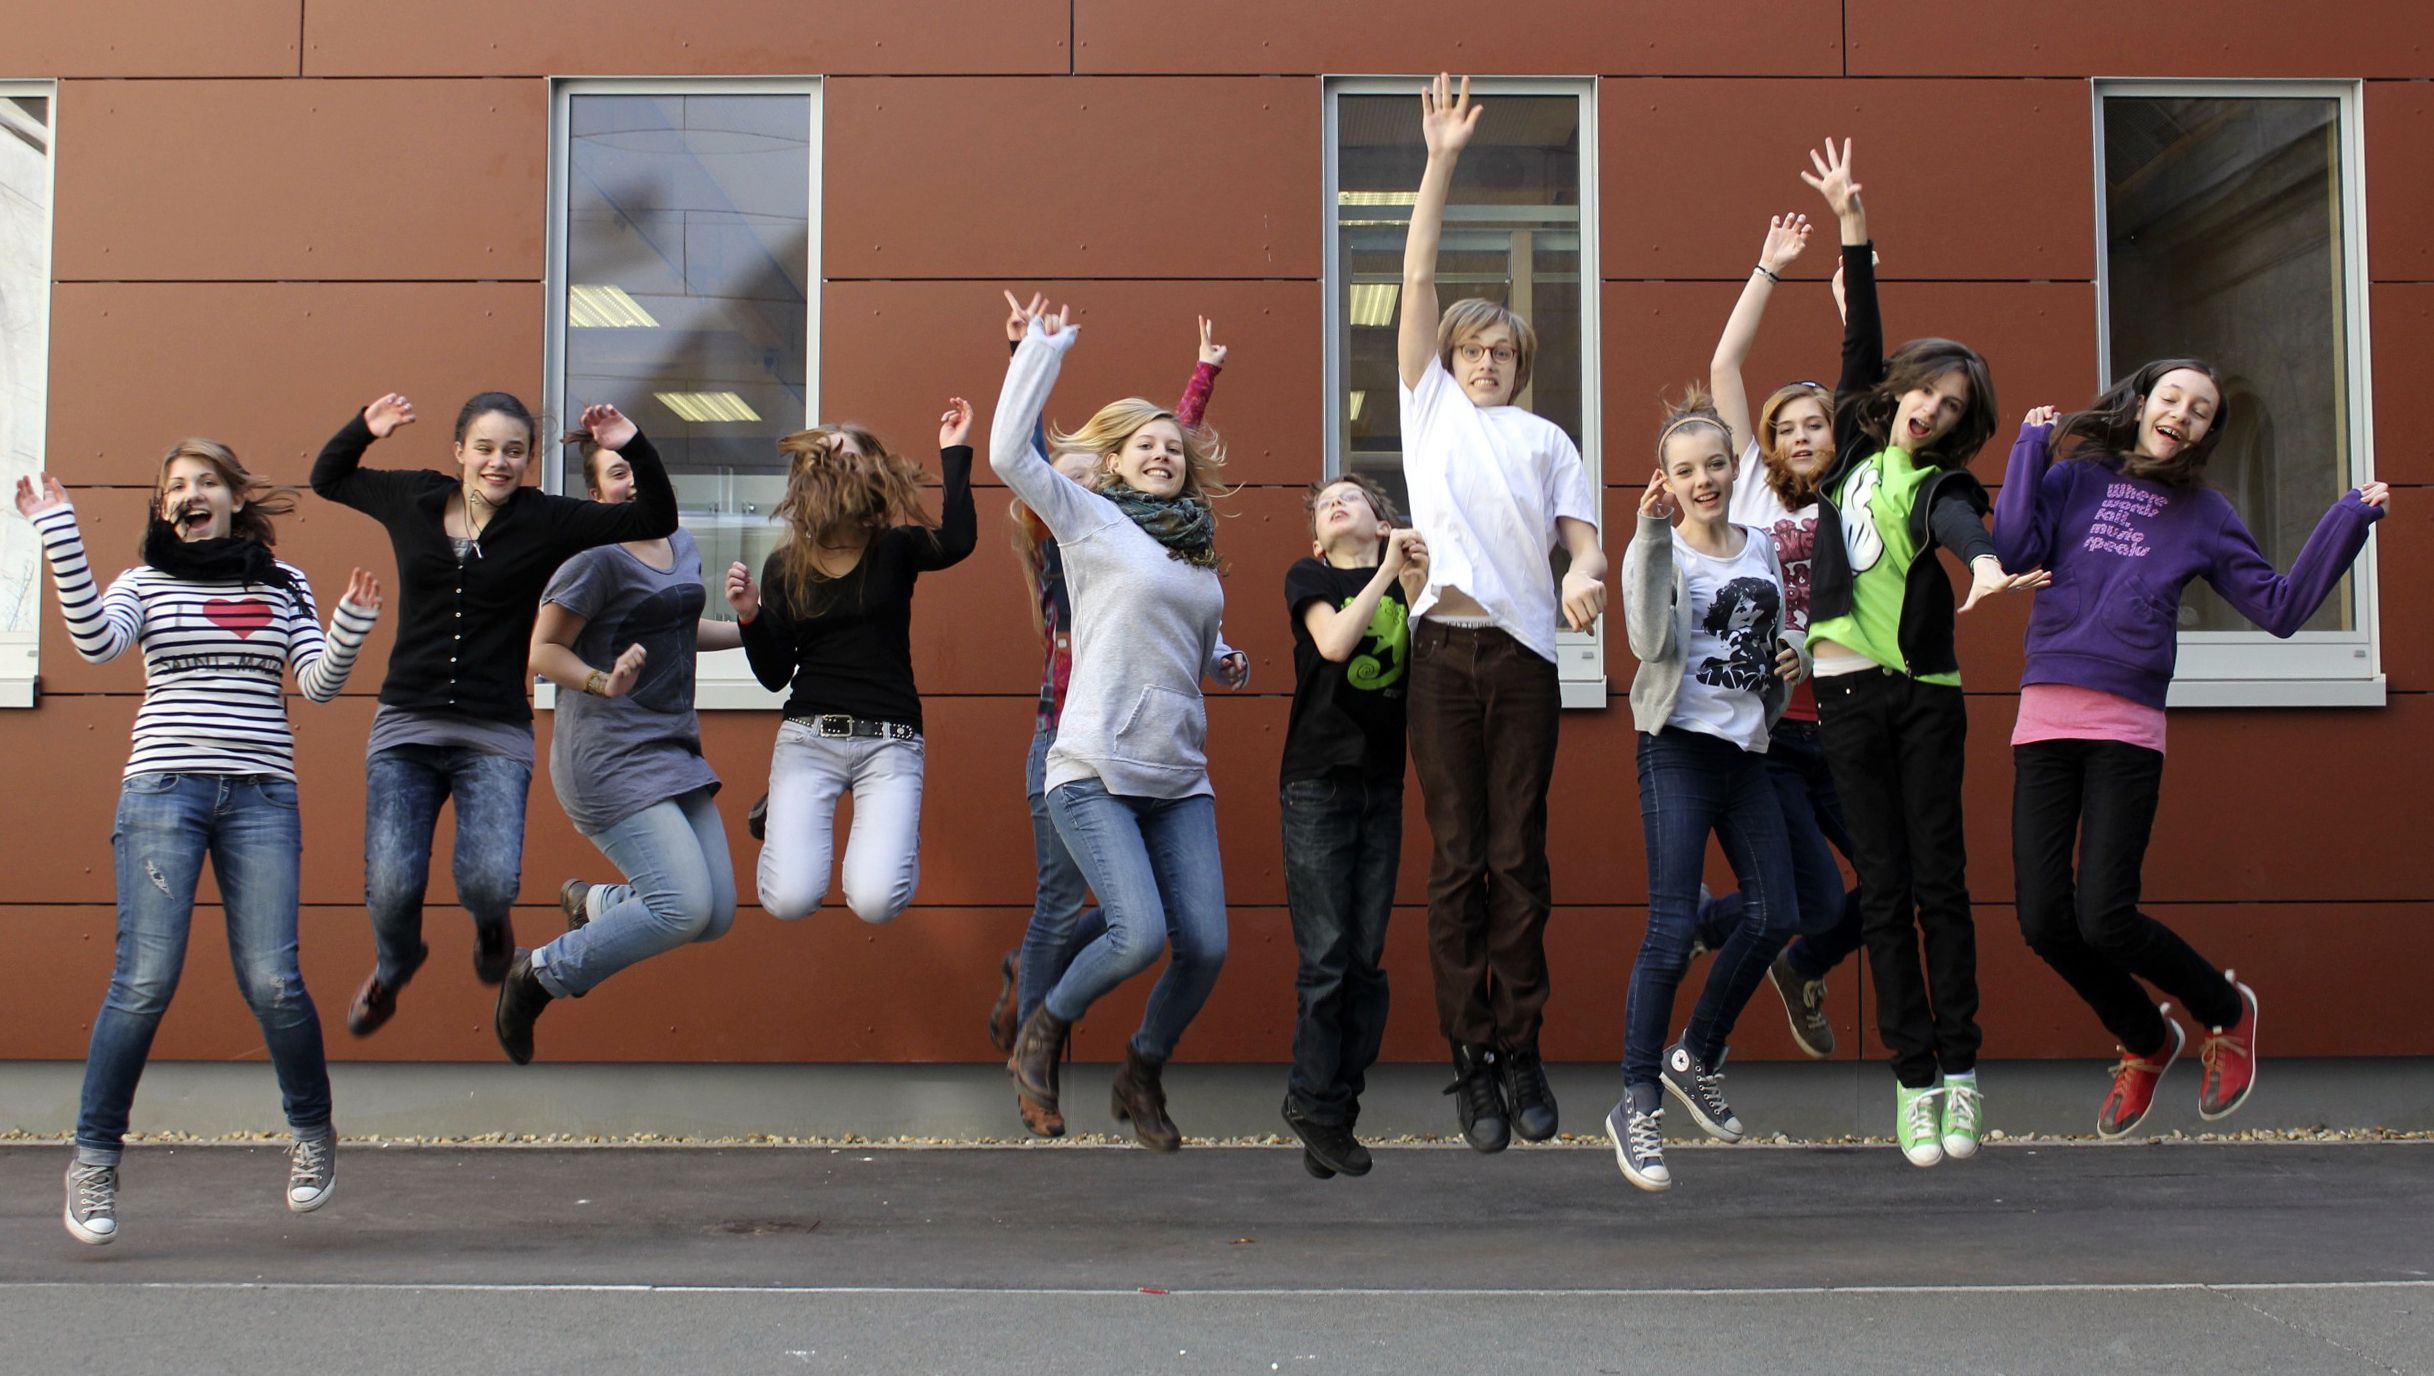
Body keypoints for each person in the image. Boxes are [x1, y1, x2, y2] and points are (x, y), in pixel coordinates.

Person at [1993, 365, 2387, 1136]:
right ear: (2143, 405)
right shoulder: (2074, 479)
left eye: (2201, 410)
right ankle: (2145, 1037)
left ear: (2208, 432)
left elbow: (2278, 608)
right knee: (2043, 920)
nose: (2182, 413)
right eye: (2171, 398)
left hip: (2127, 729)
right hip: (2045, 720)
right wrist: (2030, 448)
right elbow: (2012, 551)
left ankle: (2226, 1011)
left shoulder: (2206, 513)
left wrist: (2348, 519)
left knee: (2106, 919)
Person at [19, 443, 378, 1245]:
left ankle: (312, 1132)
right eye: (177, 485)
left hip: (261, 795)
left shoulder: (282, 583)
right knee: (144, 980)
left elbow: (316, 684)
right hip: (163, 791)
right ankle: (93, 1159)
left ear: (233, 498)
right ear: (164, 508)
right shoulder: (144, 582)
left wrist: (350, 626)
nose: (192, 493)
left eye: (207, 481)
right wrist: (60, 532)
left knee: (273, 981)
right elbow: (95, 643)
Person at [1797, 139, 2046, 1167]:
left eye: (1949, 409)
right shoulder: (1852, 447)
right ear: (1900, 388)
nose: (1930, 410)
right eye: (1926, 393)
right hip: (1846, 697)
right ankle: (1911, 1078)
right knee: (1885, 887)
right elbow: (1862, 333)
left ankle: (1961, 1073)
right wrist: (1852, 222)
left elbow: (1958, 523)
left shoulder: (1940, 481)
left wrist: (1984, 566)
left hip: (1925, 697)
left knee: (1940, 881)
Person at [311, 392, 677, 1037]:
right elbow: (328, 477)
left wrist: (631, 445)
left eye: (513, 451)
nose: (497, 462)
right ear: (459, 451)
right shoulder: (413, 497)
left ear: (529, 459)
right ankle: (396, 965)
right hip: (407, 725)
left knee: (486, 881)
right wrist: (365, 427)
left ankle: (490, 923)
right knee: (392, 885)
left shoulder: (543, 518)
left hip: (494, 732)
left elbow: (656, 514)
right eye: (483, 448)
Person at [1397, 73, 1607, 1153]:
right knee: (1455, 861)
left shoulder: (1546, 439)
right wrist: (1440, 159)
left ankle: (1521, 1046)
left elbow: (1583, 539)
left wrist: (1583, 575)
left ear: (1522, 365)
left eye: (1503, 352)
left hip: (1523, 656)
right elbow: (1419, 271)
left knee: (1518, 855)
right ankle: (1470, 1059)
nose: (1486, 361)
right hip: (1441, 651)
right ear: (1448, 360)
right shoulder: (1428, 410)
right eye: (1473, 349)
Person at [993, 299, 1251, 1151]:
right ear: (1112, 463)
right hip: (1094, 769)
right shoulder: (1091, 522)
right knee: (1135, 934)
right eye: (1145, 444)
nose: (1162, 452)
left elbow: (1191, 639)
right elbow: (1009, 455)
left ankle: (1142, 1067)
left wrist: (1224, 659)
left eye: (1172, 445)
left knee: (1205, 947)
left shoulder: (1194, 550)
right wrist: (1038, 354)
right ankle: (1044, 1028)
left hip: (1177, 775)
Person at [492, 432, 754, 1063]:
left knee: (715, 914)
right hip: (606, 757)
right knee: (681, 908)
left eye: (637, 467)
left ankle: (596, 902)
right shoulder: (592, 560)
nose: (631, 480)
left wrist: (753, 628)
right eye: (616, 473)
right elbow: (542, 651)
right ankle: (538, 973)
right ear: (595, 493)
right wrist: (600, 681)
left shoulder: (679, 543)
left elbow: (678, 627)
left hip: (672, 750)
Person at [1606, 393, 1807, 1192]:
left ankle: (1695, 1054)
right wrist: (1651, 535)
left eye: (1716, 465)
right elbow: (1649, 641)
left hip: (1746, 749)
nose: (1705, 480)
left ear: (1733, 469)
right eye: (1687, 470)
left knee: (1777, 913)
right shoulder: (1657, 548)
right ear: (1666, 480)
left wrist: (1795, 652)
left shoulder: (1760, 544)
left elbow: (1781, 629)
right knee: (1668, 931)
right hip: (1678, 749)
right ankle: (1636, 1101)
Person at [1687, 212, 1868, 1061]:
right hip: (1780, 732)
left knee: (1898, 880)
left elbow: (1875, 394)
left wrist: (1853, 305)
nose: (1801, 436)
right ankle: (1715, 924)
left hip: (1850, 723)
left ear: (1837, 436)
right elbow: (1724, 367)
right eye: (1787, 425)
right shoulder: (1753, 489)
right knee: (1818, 900)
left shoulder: (1862, 494)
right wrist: (1768, 268)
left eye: (1816, 425)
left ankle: (1794, 966)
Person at [735, 396, 978, 927]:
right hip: (809, 739)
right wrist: (751, 616)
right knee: (789, 900)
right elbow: (775, 675)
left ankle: (894, 833)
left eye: (850, 459)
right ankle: (782, 811)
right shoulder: (785, 567)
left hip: (890, 742)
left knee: (876, 902)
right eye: (827, 460)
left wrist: (954, 451)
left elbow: (958, 540)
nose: (838, 469)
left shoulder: (895, 549)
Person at [1277, 474, 1426, 1178]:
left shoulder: (1410, 579)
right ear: (1317, 539)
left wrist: (1415, 581)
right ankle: (1311, 1103)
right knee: (1328, 956)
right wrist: (1387, 575)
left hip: (1381, 786)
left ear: (1382, 520)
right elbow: (1335, 643)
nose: (1337, 503)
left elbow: (1434, 658)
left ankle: (1334, 1110)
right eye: (1325, 504)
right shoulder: (1310, 577)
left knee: (1366, 960)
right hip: (1317, 784)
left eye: (1352, 497)